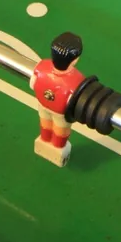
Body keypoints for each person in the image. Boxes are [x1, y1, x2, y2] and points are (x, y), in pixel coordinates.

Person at [30, 32, 86, 167]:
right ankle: (57, 147)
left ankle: (44, 140)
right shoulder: (78, 81)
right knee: (60, 131)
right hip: (61, 114)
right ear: (74, 60)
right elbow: (74, 102)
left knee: (45, 124)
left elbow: (32, 84)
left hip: (43, 105)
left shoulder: (41, 67)